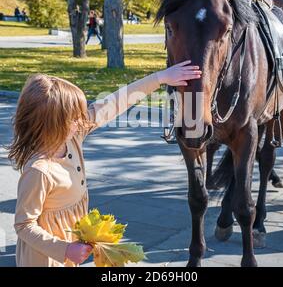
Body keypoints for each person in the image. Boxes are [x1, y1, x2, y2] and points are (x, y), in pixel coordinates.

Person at [9, 61, 201, 267]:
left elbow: (112, 104)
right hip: (44, 260)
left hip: (70, 251)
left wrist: (160, 78)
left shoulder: (71, 138)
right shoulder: (39, 171)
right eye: (74, 117)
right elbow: (24, 224)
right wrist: (64, 249)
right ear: (53, 124)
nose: (82, 120)